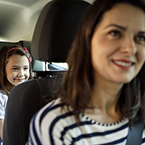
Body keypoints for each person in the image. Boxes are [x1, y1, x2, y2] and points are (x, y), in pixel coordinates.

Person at [26, 0, 145, 144]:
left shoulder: (141, 114)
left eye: (141, 38)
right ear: (88, 41)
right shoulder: (55, 124)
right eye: (115, 33)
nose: (131, 48)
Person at [0, 45, 33, 141]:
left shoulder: (30, 91)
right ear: (3, 70)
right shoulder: (2, 97)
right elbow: (5, 136)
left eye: (25, 68)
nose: (21, 74)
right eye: (15, 69)